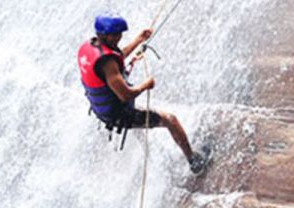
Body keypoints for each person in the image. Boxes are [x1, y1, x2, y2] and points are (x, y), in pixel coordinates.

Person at [78, 14, 208, 175]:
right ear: (103, 34)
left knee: (144, 123)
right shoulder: (108, 64)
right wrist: (146, 85)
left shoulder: (89, 48)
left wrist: (138, 40)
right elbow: (126, 95)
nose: (119, 37)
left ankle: (150, 153)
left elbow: (118, 55)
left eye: (120, 33)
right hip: (118, 114)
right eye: (116, 34)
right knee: (170, 120)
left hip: (102, 109)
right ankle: (194, 161)